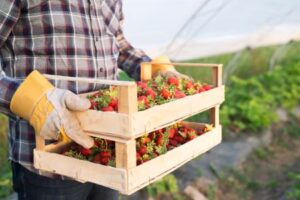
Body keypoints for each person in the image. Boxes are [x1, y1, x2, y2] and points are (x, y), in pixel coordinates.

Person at [0, 0, 189, 199]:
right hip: (48, 162)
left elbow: (118, 43)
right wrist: (31, 102)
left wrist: (152, 69)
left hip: (107, 153)